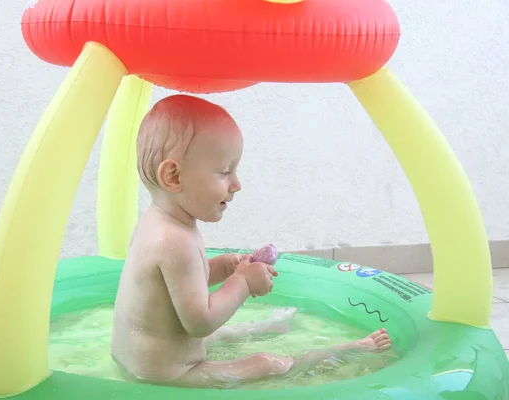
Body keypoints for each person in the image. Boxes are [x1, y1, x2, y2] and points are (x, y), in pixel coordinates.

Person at [110, 94, 391, 388]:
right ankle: (351, 350)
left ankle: (268, 326)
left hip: (141, 361)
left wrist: (226, 268)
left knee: (224, 335)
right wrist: (243, 283)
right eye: (224, 171)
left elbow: (179, 286)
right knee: (268, 364)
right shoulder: (175, 241)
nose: (237, 184)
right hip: (168, 375)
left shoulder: (157, 223)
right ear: (173, 176)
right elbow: (200, 321)